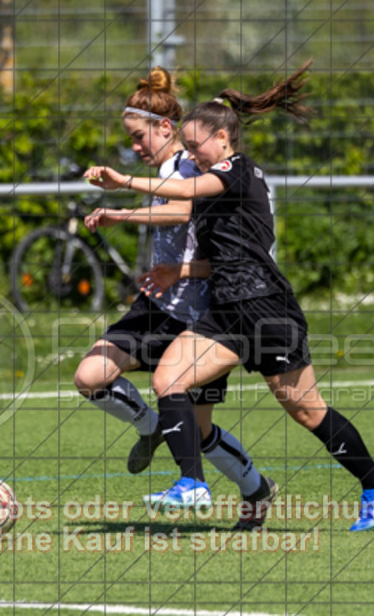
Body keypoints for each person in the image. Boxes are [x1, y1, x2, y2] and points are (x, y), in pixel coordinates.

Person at [85, 62, 374, 532]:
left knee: (305, 409)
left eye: (196, 146)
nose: (192, 154)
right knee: (169, 378)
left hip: (266, 306)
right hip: (226, 311)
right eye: (187, 147)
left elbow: (187, 190)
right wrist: (179, 269)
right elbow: (217, 252)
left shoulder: (238, 170)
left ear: (223, 139)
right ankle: (192, 482)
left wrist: (124, 183)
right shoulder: (213, 186)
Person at [72, 66, 278, 531]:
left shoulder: (197, 167)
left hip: (205, 314)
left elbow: (183, 208)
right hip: (159, 307)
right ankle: (149, 427)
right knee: (90, 376)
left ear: (166, 128)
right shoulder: (171, 168)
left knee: (201, 434)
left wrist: (121, 212)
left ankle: (256, 490)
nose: (134, 147)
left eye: (138, 136)